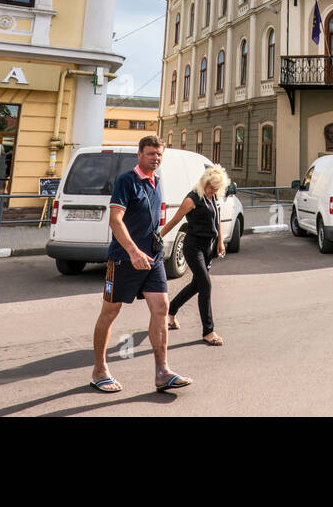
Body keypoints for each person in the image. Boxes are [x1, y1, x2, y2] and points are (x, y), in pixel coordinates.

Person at [89, 136, 191, 395]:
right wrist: (133, 251)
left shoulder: (158, 182)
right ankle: (99, 370)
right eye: (150, 154)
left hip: (152, 259)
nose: (155, 158)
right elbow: (115, 220)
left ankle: (162, 372)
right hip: (124, 259)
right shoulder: (127, 181)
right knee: (110, 312)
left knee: (162, 307)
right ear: (139, 154)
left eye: (158, 154)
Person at [163, 164, 229, 346]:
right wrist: (159, 237)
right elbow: (175, 219)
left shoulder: (213, 197)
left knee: (196, 285)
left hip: (209, 247)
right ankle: (208, 331)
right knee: (205, 284)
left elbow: (217, 220)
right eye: (211, 187)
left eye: (217, 188)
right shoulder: (192, 199)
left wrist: (221, 242)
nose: (213, 190)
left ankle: (170, 310)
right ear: (204, 183)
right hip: (193, 247)